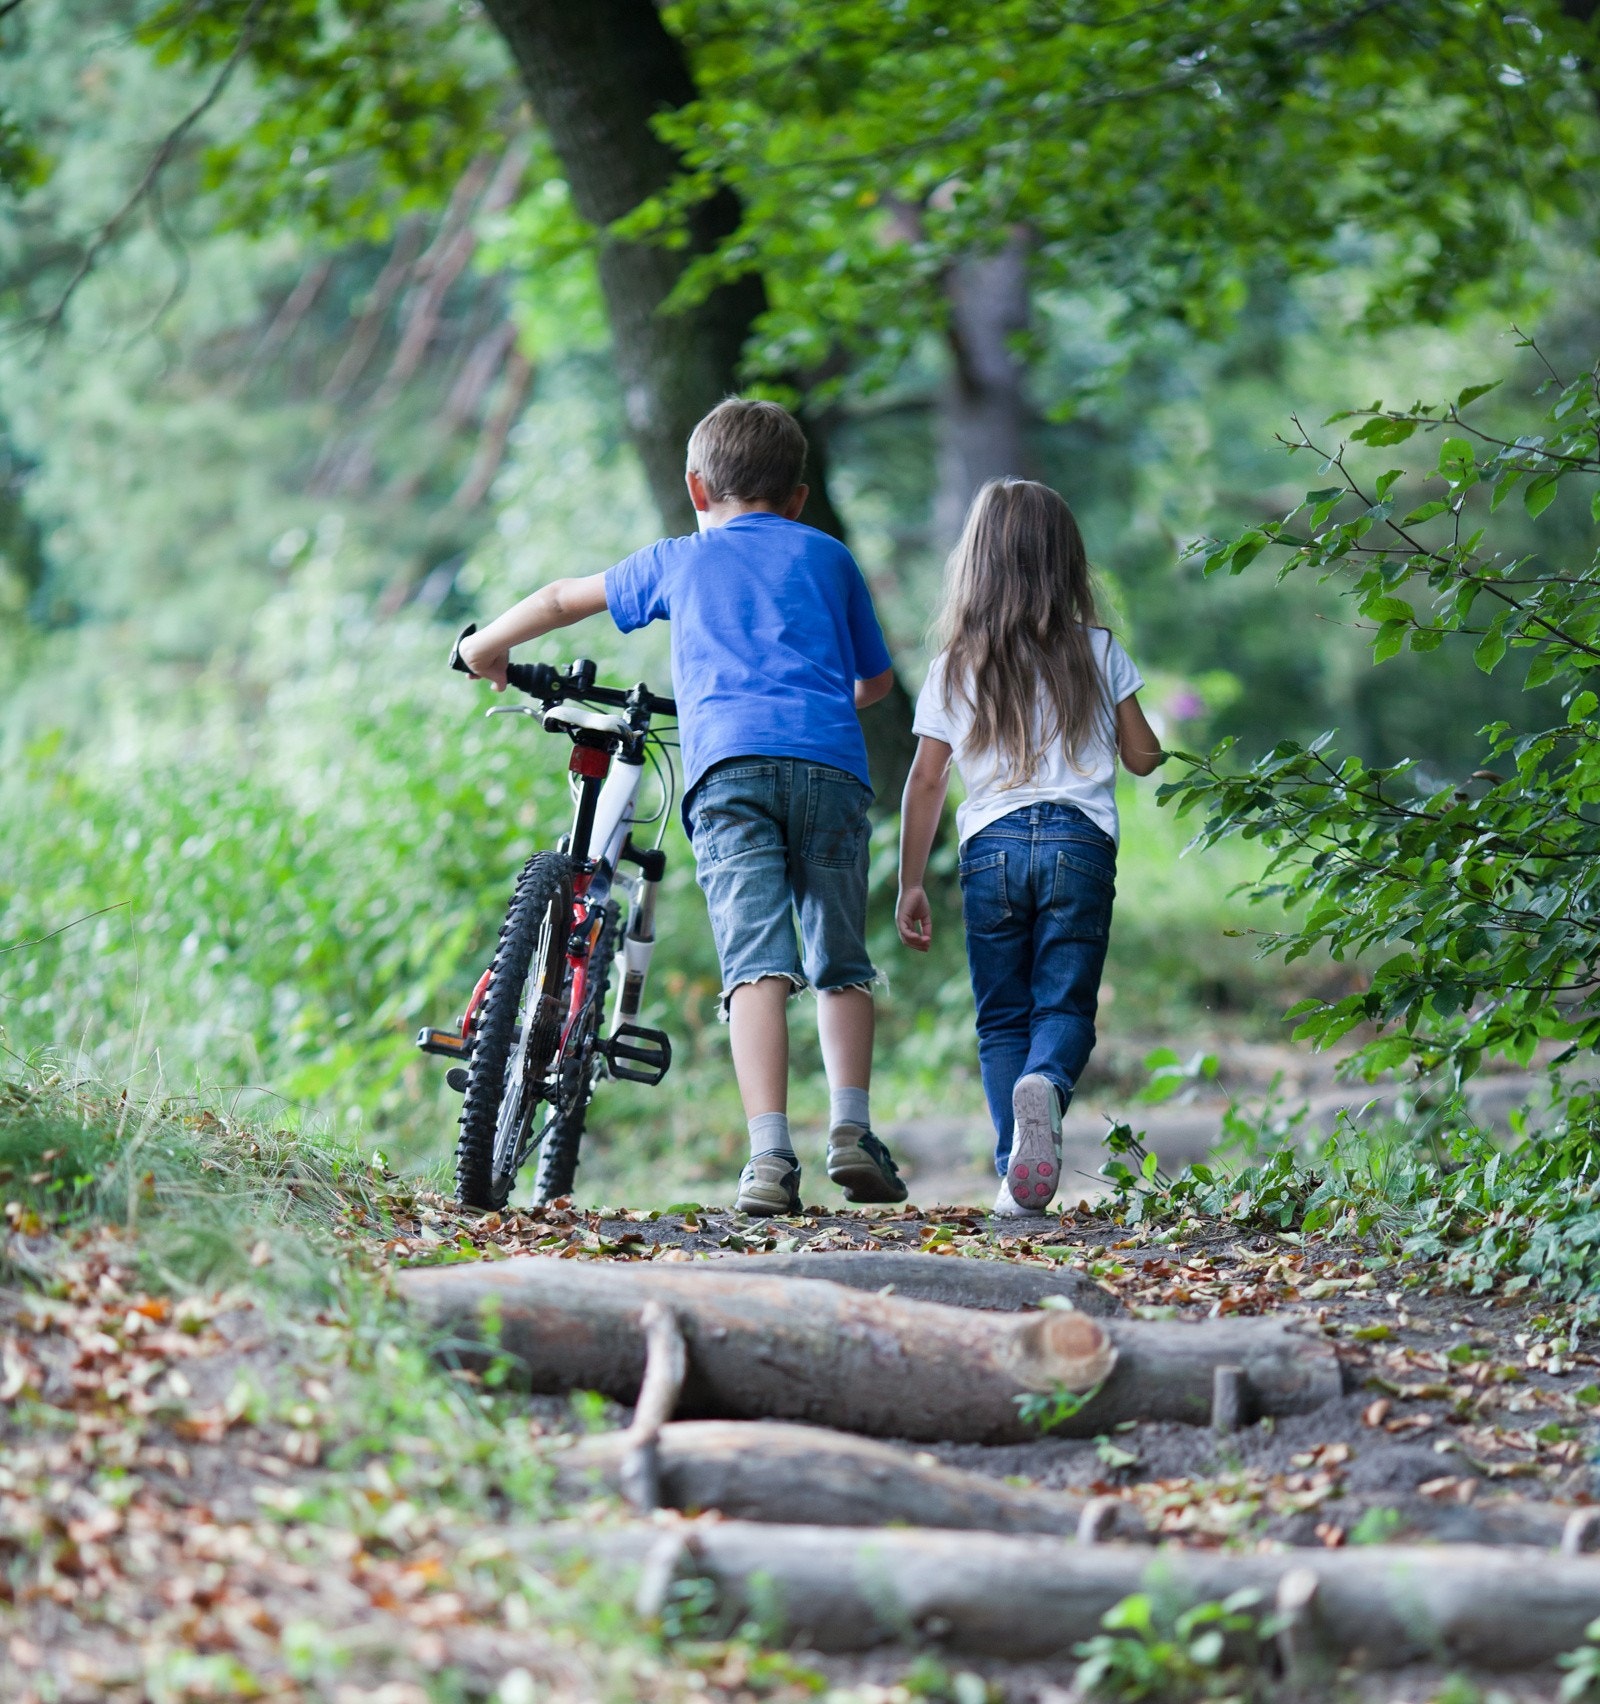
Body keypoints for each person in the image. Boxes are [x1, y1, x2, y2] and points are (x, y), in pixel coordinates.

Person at [457, 397, 907, 1216]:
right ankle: (851, 1130)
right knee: (839, 959)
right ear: (800, 496)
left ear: (697, 488)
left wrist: (486, 647)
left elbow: (563, 597)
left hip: (730, 770)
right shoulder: (830, 558)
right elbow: (875, 682)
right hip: (832, 768)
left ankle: (771, 1155)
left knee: (755, 966)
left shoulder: (681, 558)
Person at [895, 478, 1162, 1217]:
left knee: (1001, 1017)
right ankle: (1045, 1085)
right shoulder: (1098, 651)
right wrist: (1133, 725)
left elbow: (925, 781)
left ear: (975, 565)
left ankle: (1016, 1164)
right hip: (1080, 845)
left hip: (991, 852)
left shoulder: (955, 665)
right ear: (1066, 563)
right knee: (1064, 1008)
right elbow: (1143, 756)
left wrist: (909, 884)